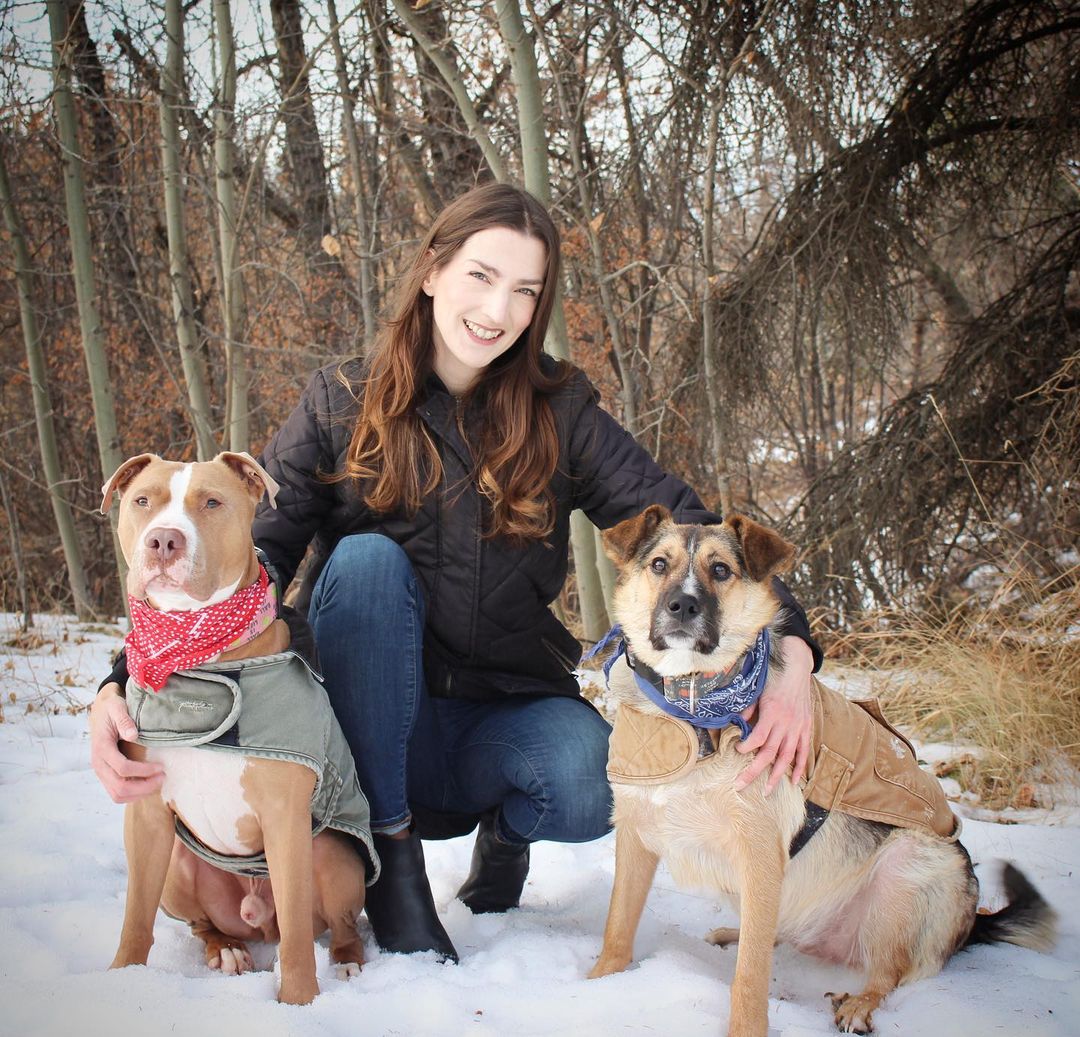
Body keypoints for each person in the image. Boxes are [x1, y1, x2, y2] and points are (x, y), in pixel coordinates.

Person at [90, 182, 822, 963]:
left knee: (587, 776)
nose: (497, 309)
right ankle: (393, 860)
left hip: (494, 708)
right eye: (481, 275)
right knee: (367, 561)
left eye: (523, 291)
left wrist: (792, 655)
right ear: (434, 270)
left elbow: (690, 522)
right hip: (354, 720)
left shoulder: (561, 411)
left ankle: (505, 843)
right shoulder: (342, 398)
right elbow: (245, 557)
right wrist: (120, 678)